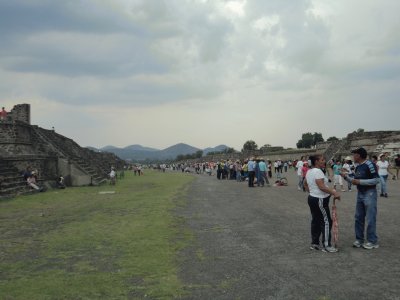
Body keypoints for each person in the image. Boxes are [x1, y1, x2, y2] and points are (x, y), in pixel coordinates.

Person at [342, 147, 380, 250]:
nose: (353, 156)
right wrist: (345, 177)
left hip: (369, 193)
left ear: (358, 155)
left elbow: (377, 180)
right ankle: (359, 239)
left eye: (354, 154)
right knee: (358, 217)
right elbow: (355, 181)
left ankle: (372, 241)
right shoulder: (358, 166)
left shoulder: (370, 165)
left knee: (370, 218)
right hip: (360, 193)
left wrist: (360, 182)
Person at [304, 154, 340, 253]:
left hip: (312, 198)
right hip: (319, 199)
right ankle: (326, 245)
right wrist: (334, 192)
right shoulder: (318, 171)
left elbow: (305, 184)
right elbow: (322, 187)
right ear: (316, 161)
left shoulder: (309, 171)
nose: (324, 161)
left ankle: (315, 243)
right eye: (322, 160)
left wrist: (312, 192)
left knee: (316, 220)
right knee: (326, 221)